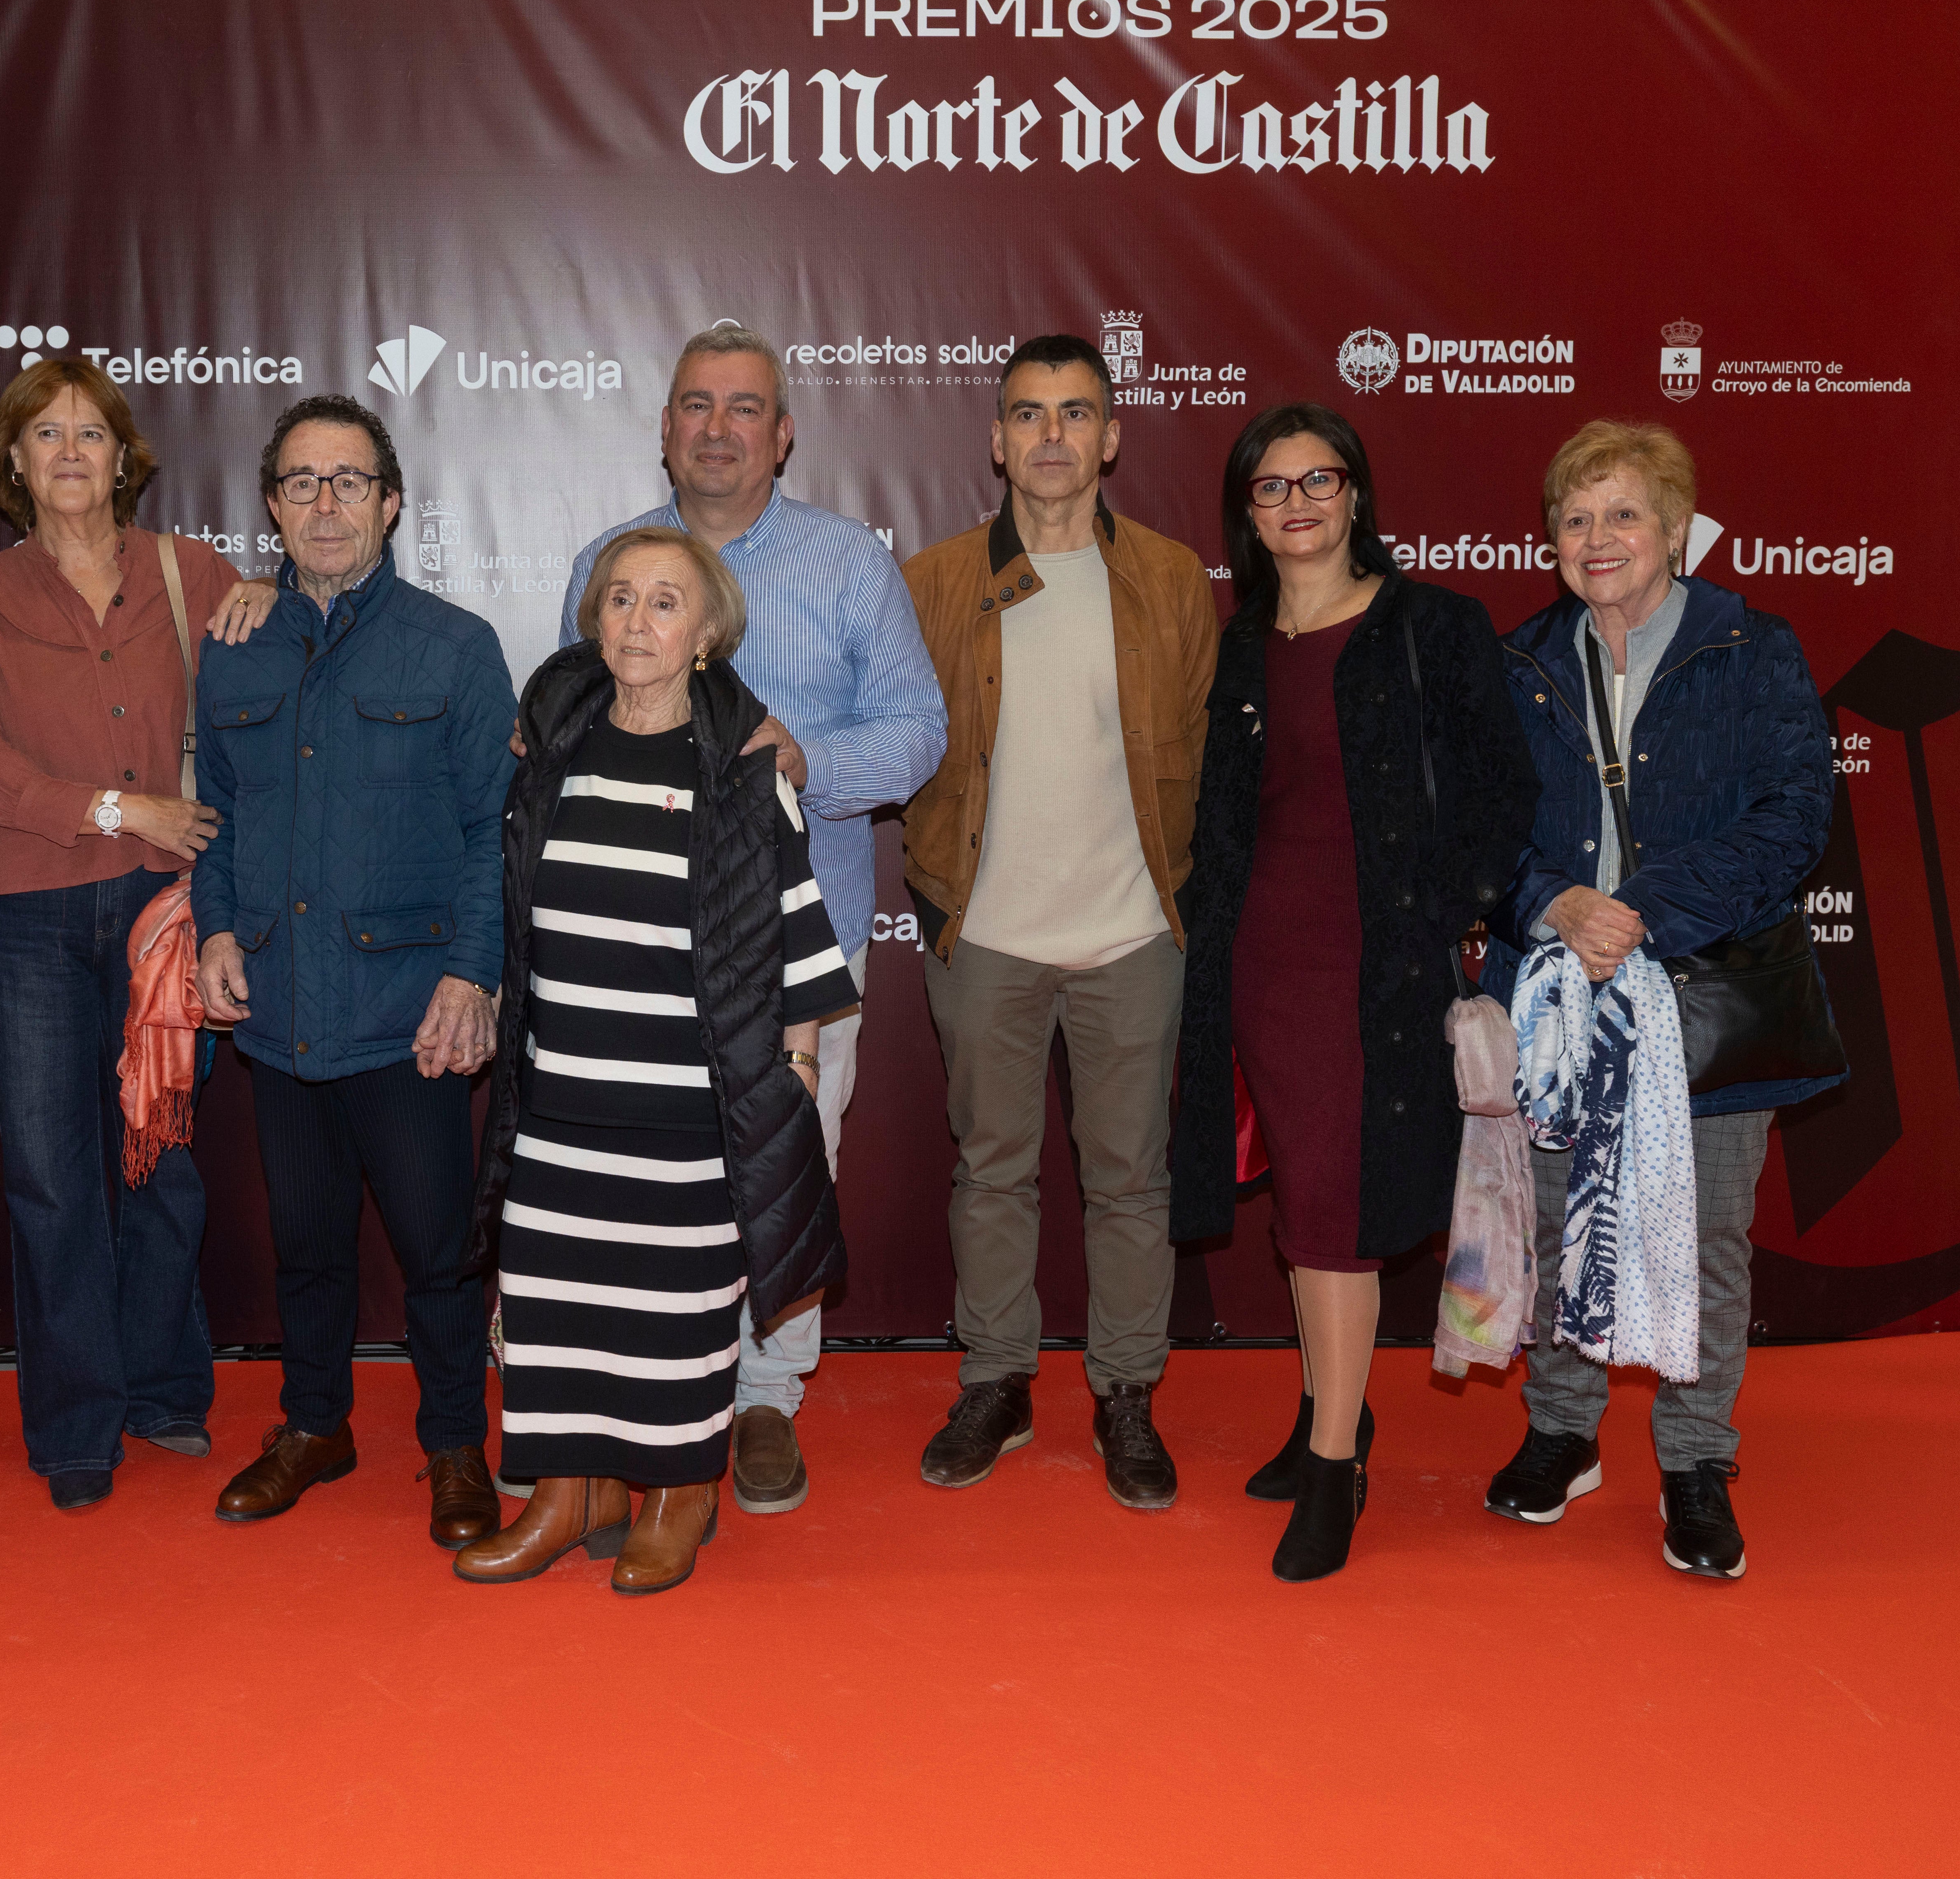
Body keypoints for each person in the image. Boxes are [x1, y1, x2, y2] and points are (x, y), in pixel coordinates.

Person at [554, 320, 942, 1516]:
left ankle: (768, 1395)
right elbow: (573, 728)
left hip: (794, 948)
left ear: (781, 435)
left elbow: (918, 731)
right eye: (694, 406)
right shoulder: (609, 564)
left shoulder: (845, 565)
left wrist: (802, 754)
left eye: (741, 409)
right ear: (663, 429)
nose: (716, 428)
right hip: (632, 954)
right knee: (641, 1180)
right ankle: (643, 1394)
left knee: (781, 1168)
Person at [1170, 402, 1539, 1581]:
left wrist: (1438, 913)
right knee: (1304, 1198)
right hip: (1259, 954)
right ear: (1247, 513)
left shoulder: (1431, 624)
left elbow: (1502, 794)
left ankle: (1335, 1465)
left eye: (1317, 479)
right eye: (1270, 486)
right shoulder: (1241, 646)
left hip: (1375, 961)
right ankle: (1331, 1409)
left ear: (1356, 495)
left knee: (1334, 1207)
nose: (1296, 502)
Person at [455, 528, 859, 1595]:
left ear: (709, 636)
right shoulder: (553, 755)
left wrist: (800, 1081)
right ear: (594, 623)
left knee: (676, 1306)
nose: (639, 621)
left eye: (666, 603)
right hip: (560, 1098)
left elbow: (798, 939)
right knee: (549, 1291)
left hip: (693, 1105)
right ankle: (566, 1493)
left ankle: (683, 1492)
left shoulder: (743, 773)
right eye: (621, 599)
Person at [1483, 420, 1841, 1581]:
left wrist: (1641, 908)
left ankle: (1695, 1461)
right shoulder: (1520, 662)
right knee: (1560, 1222)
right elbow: (1477, 834)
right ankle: (1561, 1432)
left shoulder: (1753, 648)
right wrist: (1554, 904)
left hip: (1704, 993)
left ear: (1676, 529)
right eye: (1575, 517)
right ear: (1549, 538)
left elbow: (1794, 816)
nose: (1598, 538)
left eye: (1623, 514)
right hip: (1561, 995)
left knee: (1709, 1240)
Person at [0, 358, 275, 1513]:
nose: (71, 452)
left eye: (91, 432)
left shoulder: (192, 572)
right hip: (30, 908)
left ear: (125, 457)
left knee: (160, 1157)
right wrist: (120, 808)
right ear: (14, 464)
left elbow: (269, 686)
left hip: (161, 912)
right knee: (50, 1175)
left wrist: (270, 603)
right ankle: (76, 1422)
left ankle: (165, 1388)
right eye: (46, 435)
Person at [896, 333, 1216, 1510]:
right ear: (994, 439)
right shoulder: (933, 579)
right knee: (992, 1172)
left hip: (1132, 931)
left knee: (1130, 1183)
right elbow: (902, 738)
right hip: (984, 933)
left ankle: (1126, 1390)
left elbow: (1192, 749)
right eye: (1027, 413)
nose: (1049, 436)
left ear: (1111, 436)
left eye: (1074, 413)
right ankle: (997, 1379)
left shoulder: (1172, 579)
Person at [193, 395, 515, 1550]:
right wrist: (216, 931)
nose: (323, 504)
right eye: (299, 483)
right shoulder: (232, 645)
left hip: (409, 1009)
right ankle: (313, 1426)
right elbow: (217, 814)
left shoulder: (455, 646)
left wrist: (473, 975)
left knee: (437, 1251)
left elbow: (494, 830)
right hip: (279, 1004)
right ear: (272, 508)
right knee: (307, 1240)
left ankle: (452, 1448)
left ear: (389, 504)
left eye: (347, 482)